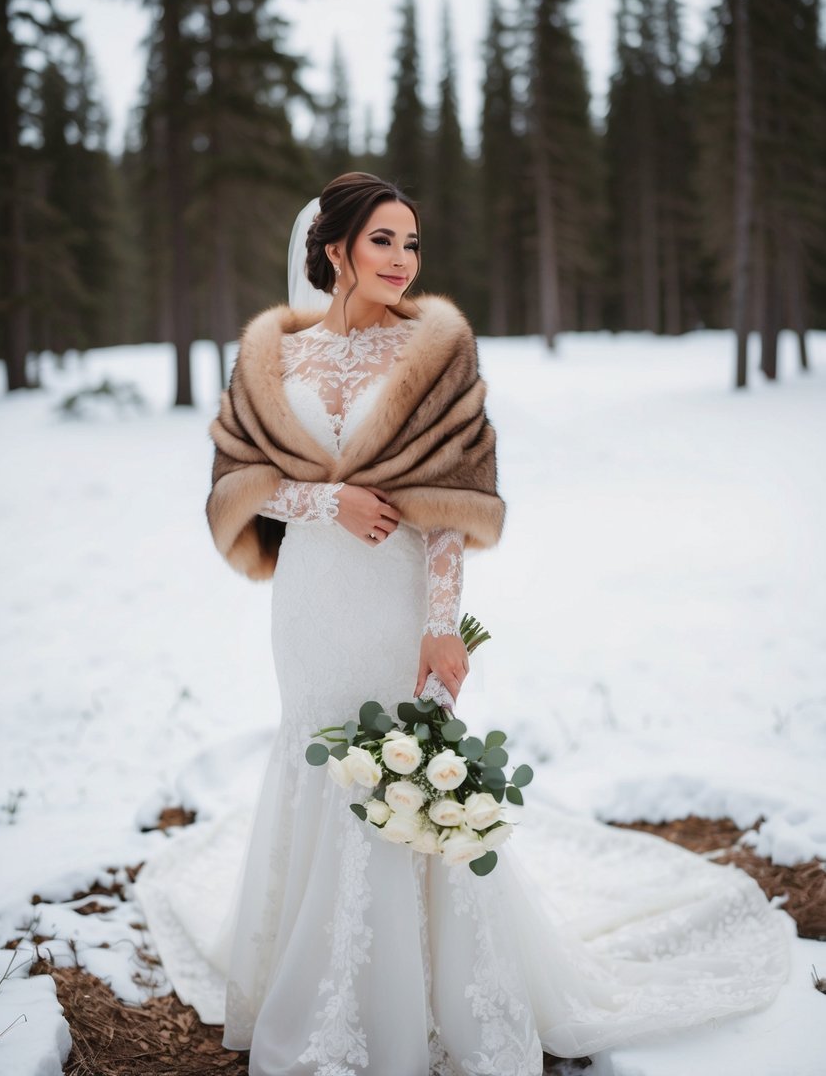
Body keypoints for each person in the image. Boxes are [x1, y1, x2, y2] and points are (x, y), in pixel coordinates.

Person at [134, 173, 791, 1076]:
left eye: (411, 243)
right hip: (312, 602)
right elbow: (237, 485)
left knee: (403, 763)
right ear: (334, 251)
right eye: (382, 240)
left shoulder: (434, 355)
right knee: (318, 757)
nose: (402, 258)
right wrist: (326, 501)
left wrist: (442, 625)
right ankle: (318, 984)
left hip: (396, 597)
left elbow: (451, 510)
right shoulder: (273, 357)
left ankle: (429, 992)